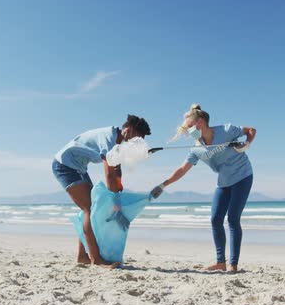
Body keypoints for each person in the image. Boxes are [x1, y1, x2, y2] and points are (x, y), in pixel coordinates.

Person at [150, 104, 255, 272]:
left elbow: (251, 130)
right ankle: (220, 262)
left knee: (233, 219)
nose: (188, 131)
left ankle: (233, 265)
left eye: (190, 126)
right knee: (215, 219)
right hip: (224, 181)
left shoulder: (226, 130)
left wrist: (246, 144)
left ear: (201, 122)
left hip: (243, 176)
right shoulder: (196, 148)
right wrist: (163, 184)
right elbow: (182, 169)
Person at [53, 115, 151, 266]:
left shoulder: (119, 143)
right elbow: (109, 174)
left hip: (78, 168)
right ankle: (96, 259)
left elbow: (117, 171)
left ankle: (82, 256)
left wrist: (118, 193)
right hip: (64, 165)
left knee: (92, 208)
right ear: (128, 130)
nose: (136, 144)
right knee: (90, 209)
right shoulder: (109, 140)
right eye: (137, 139)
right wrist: (115, 205)